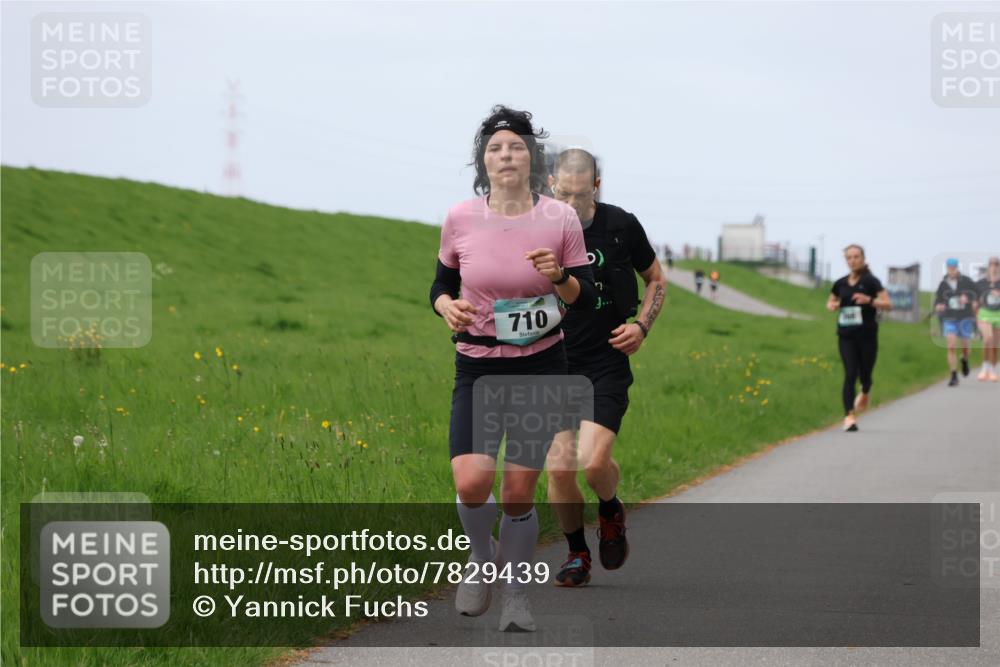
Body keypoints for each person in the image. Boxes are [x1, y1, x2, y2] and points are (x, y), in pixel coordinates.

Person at [429, 106, 596, 631]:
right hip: (476, 365)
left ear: (532, 159)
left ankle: (518, 597)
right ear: (484, 160)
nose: (507, 154)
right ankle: (483, 557)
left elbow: (584, 297)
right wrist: (445, 308)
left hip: (540, 365)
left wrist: (560, 277)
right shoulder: (459, 217)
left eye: (518, 147)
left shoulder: (560, 218)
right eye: (497, 147)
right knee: (473, 480)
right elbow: (439, 285)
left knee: (519, 491)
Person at [545, 148, 667, 587]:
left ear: (597, 186)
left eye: (582, 194)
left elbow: (656, 279)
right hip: (552, 362)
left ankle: (611, 508)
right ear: (550, 185)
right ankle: (577, 554)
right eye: (564, 193)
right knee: (559, 468)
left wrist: (641, 327)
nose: (573, 204)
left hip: (605, 361)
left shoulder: (620, 226)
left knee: (594, 464)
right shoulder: (536, 227)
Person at [826, 245, 892, 431]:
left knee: (865, 376)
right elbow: (830, 300)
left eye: (856, 257)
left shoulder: (871, 281)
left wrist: (869, 300)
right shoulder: (840, 283)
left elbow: (888, 304)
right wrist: (833, 305)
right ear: (846, 260)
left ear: (863, 258)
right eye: (849, 257)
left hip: (867, 336)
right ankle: (849, 417)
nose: (853, 260)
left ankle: (865, 390)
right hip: (846, 336)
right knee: (850, 374)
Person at [934, 258, 979, 387]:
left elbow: (977, 293)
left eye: (953, 268)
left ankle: (964, 360)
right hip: (950, 318)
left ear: (957, 268)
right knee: (951, 346)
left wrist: (969, 299)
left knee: (965, 347)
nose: (951, 270)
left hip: (965, 318)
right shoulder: (943, 284)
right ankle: (953, 375)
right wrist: (939, 306)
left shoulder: (966, 281)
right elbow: (938, 300)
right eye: (949, 268)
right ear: (947, 268)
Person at [975, 257, 1000, 382]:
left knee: (994, 346)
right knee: (987, 339)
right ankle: (984, 367)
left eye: (996, 264)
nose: (994, 266)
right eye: (992, 264)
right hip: (984, 314)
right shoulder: (980, 283)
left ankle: (992, 370)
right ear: (988, 266)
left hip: (998, 314)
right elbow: (974, 301)